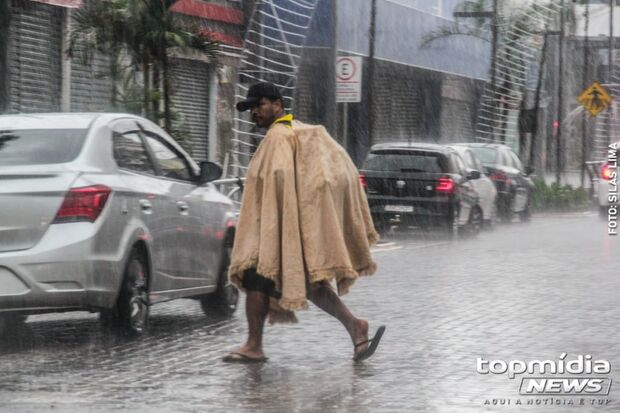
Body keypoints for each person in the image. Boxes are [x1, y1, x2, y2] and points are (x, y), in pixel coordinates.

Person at [223, 82, 385, 363]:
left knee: (256, 278)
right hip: (291, 226)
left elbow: (281, 182)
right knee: (310, 285)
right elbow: (332, 173)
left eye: (259, 105)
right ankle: (356, 327)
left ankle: (254, 345)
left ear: (277, 103)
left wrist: (288, 223)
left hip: (277, 229)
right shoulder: (302, 132)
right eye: (251, 109)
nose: (254, 113)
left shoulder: (280, 137)